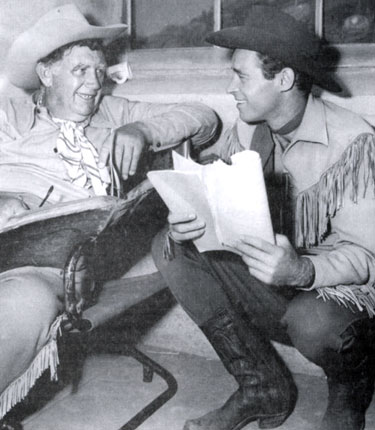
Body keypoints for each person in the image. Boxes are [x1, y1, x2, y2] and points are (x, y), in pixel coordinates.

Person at [152, 6, 375, 430]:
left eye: (242, 76)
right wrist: (189, 215)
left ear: (285, 80)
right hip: (283, 283)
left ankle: (350, 393)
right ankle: (262, 386)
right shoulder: (250, 128)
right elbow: (220, 196)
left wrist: (303, 270)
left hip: (347, 303)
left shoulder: (355, 143)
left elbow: (369, 258)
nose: (231, 87)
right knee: (170, 246)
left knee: (313, 319)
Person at [0, 4, 219, 428]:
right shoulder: (8, 116)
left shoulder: (112, 114)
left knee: (25, 303)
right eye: (80, 71)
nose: (94, 84)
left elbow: (205, 118)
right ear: (46, 74)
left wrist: (143, 130)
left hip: (47, 266)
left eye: (100, 72)